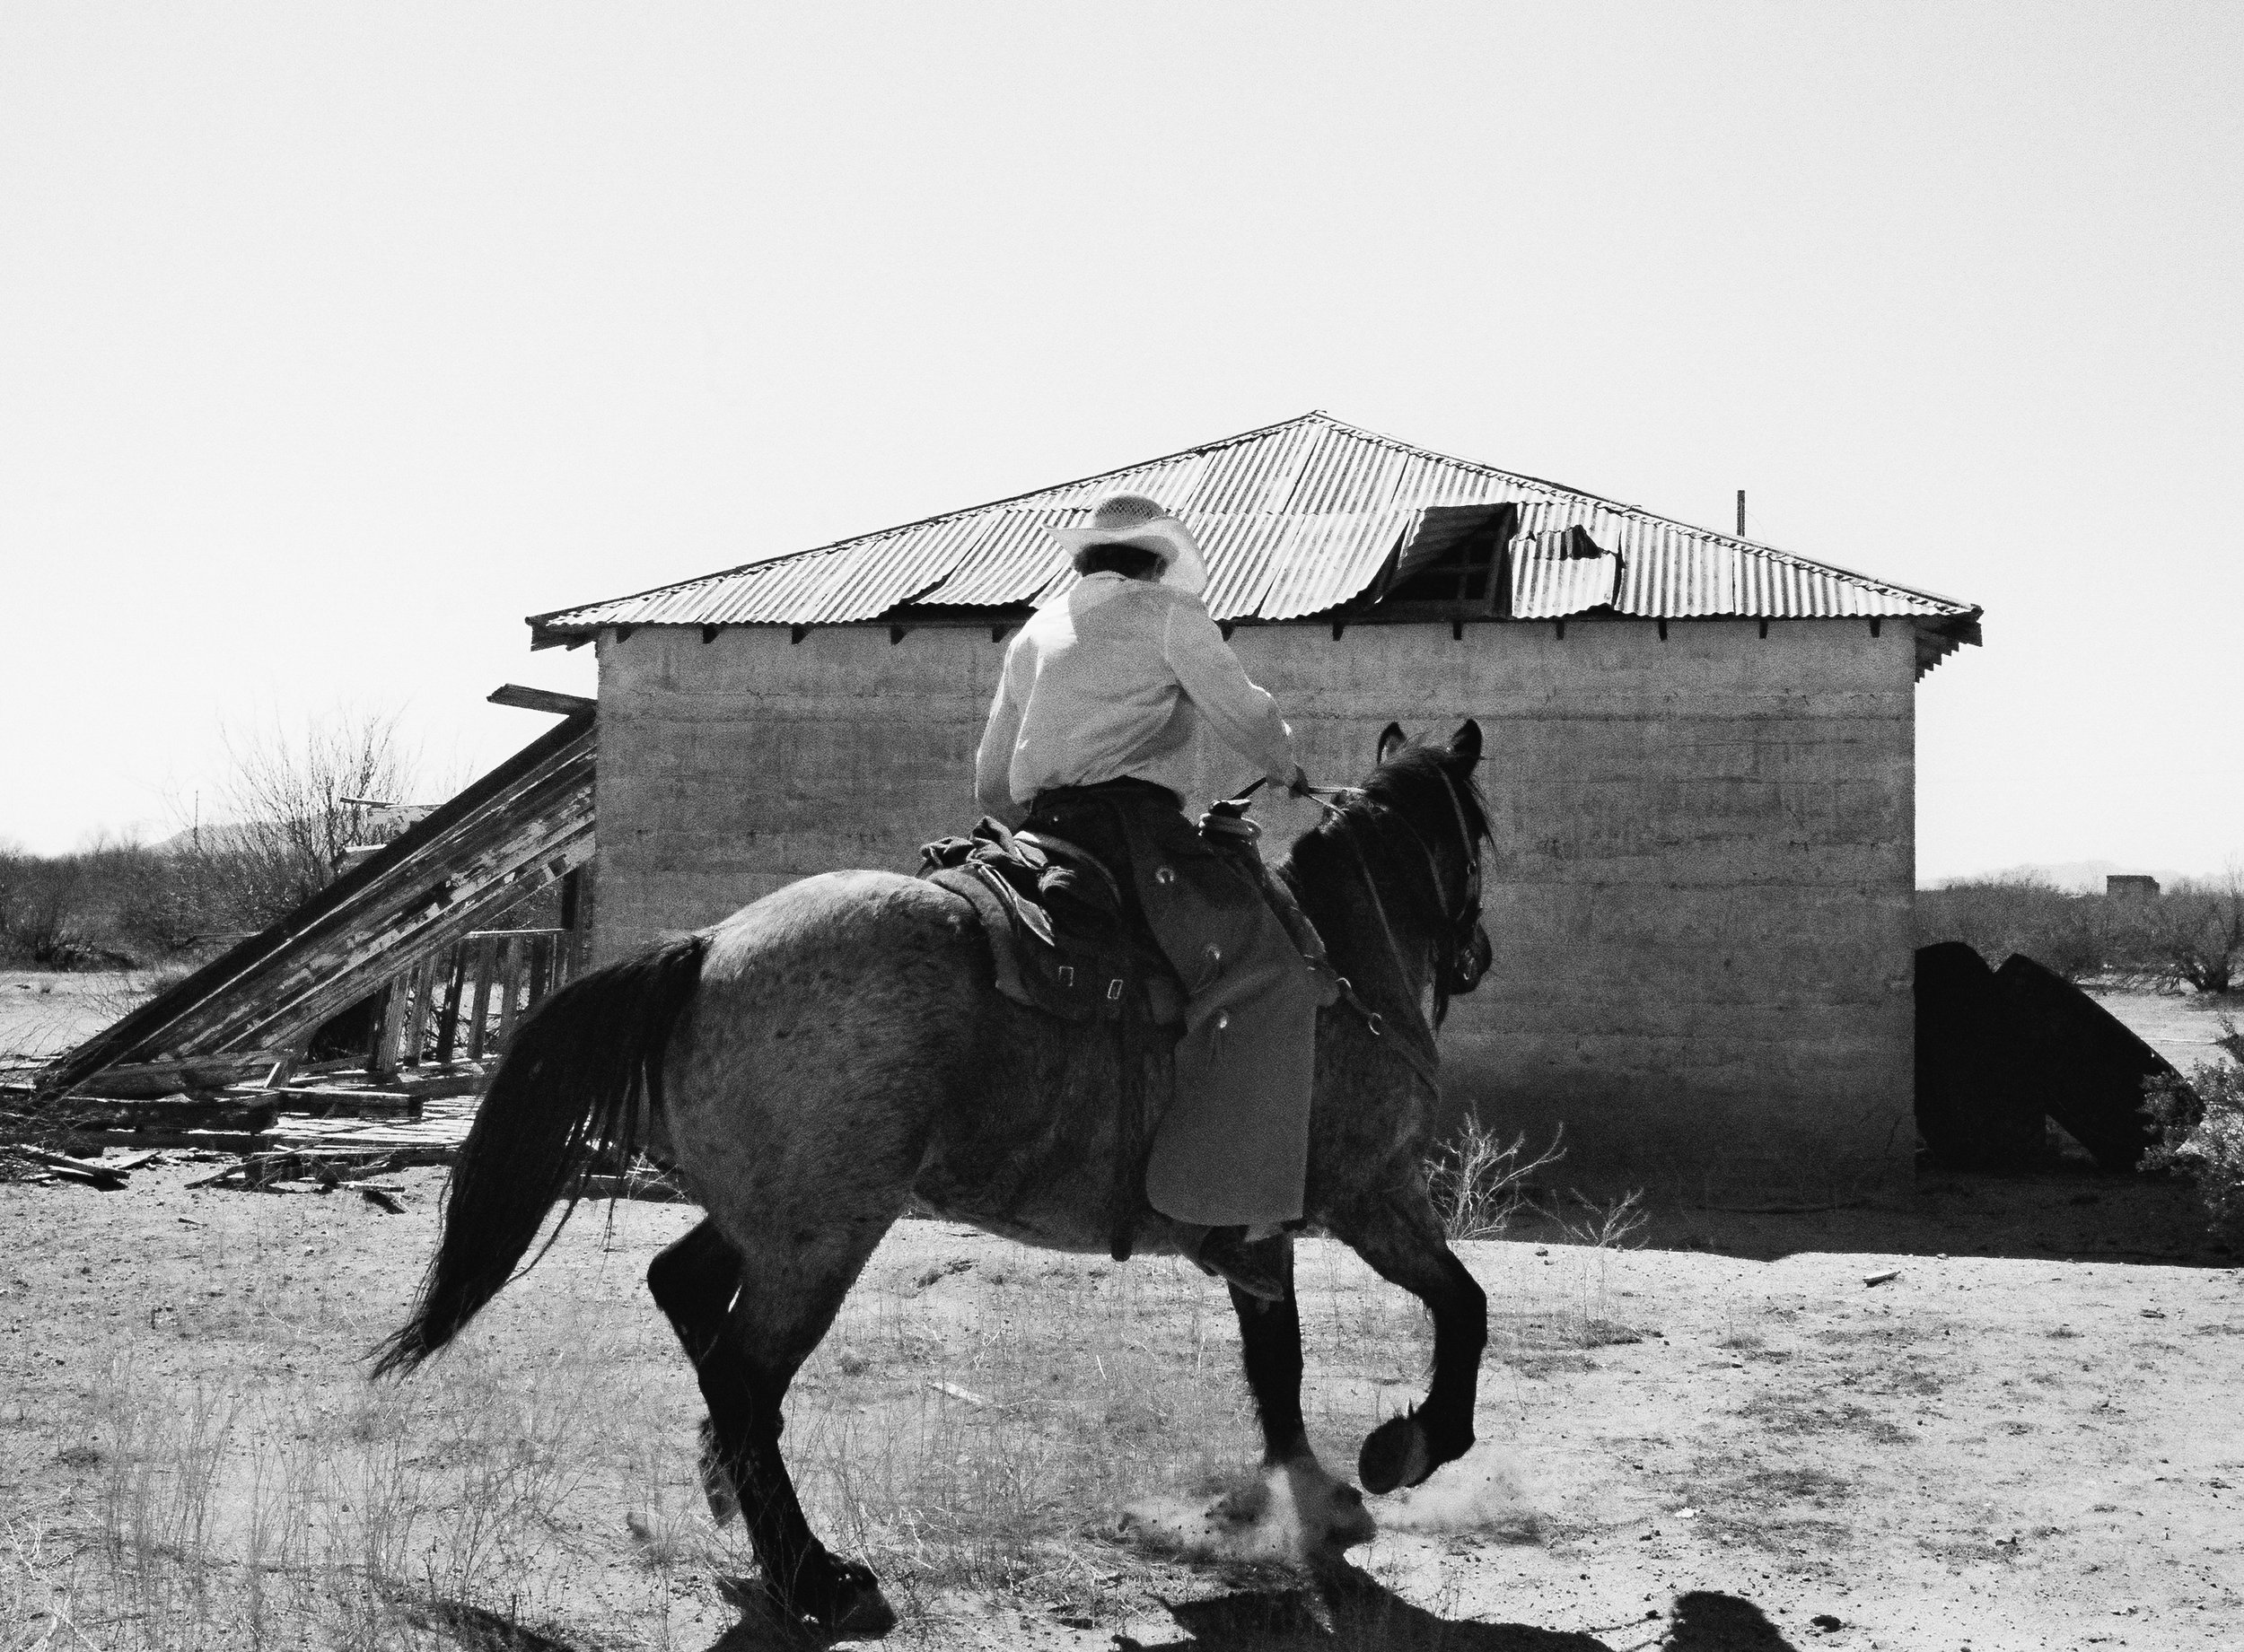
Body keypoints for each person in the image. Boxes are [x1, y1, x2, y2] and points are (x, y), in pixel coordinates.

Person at [973, 493, 1327, 1300]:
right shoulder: (1170, 615)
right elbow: (1243, 711)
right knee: (1272, 980)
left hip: (1043, 834)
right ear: (1155, 560)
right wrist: (1286, 768)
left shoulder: (1033, 633)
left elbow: (992, 780)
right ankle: (1225, 1217)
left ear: (1086, 561)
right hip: (1136, 838)